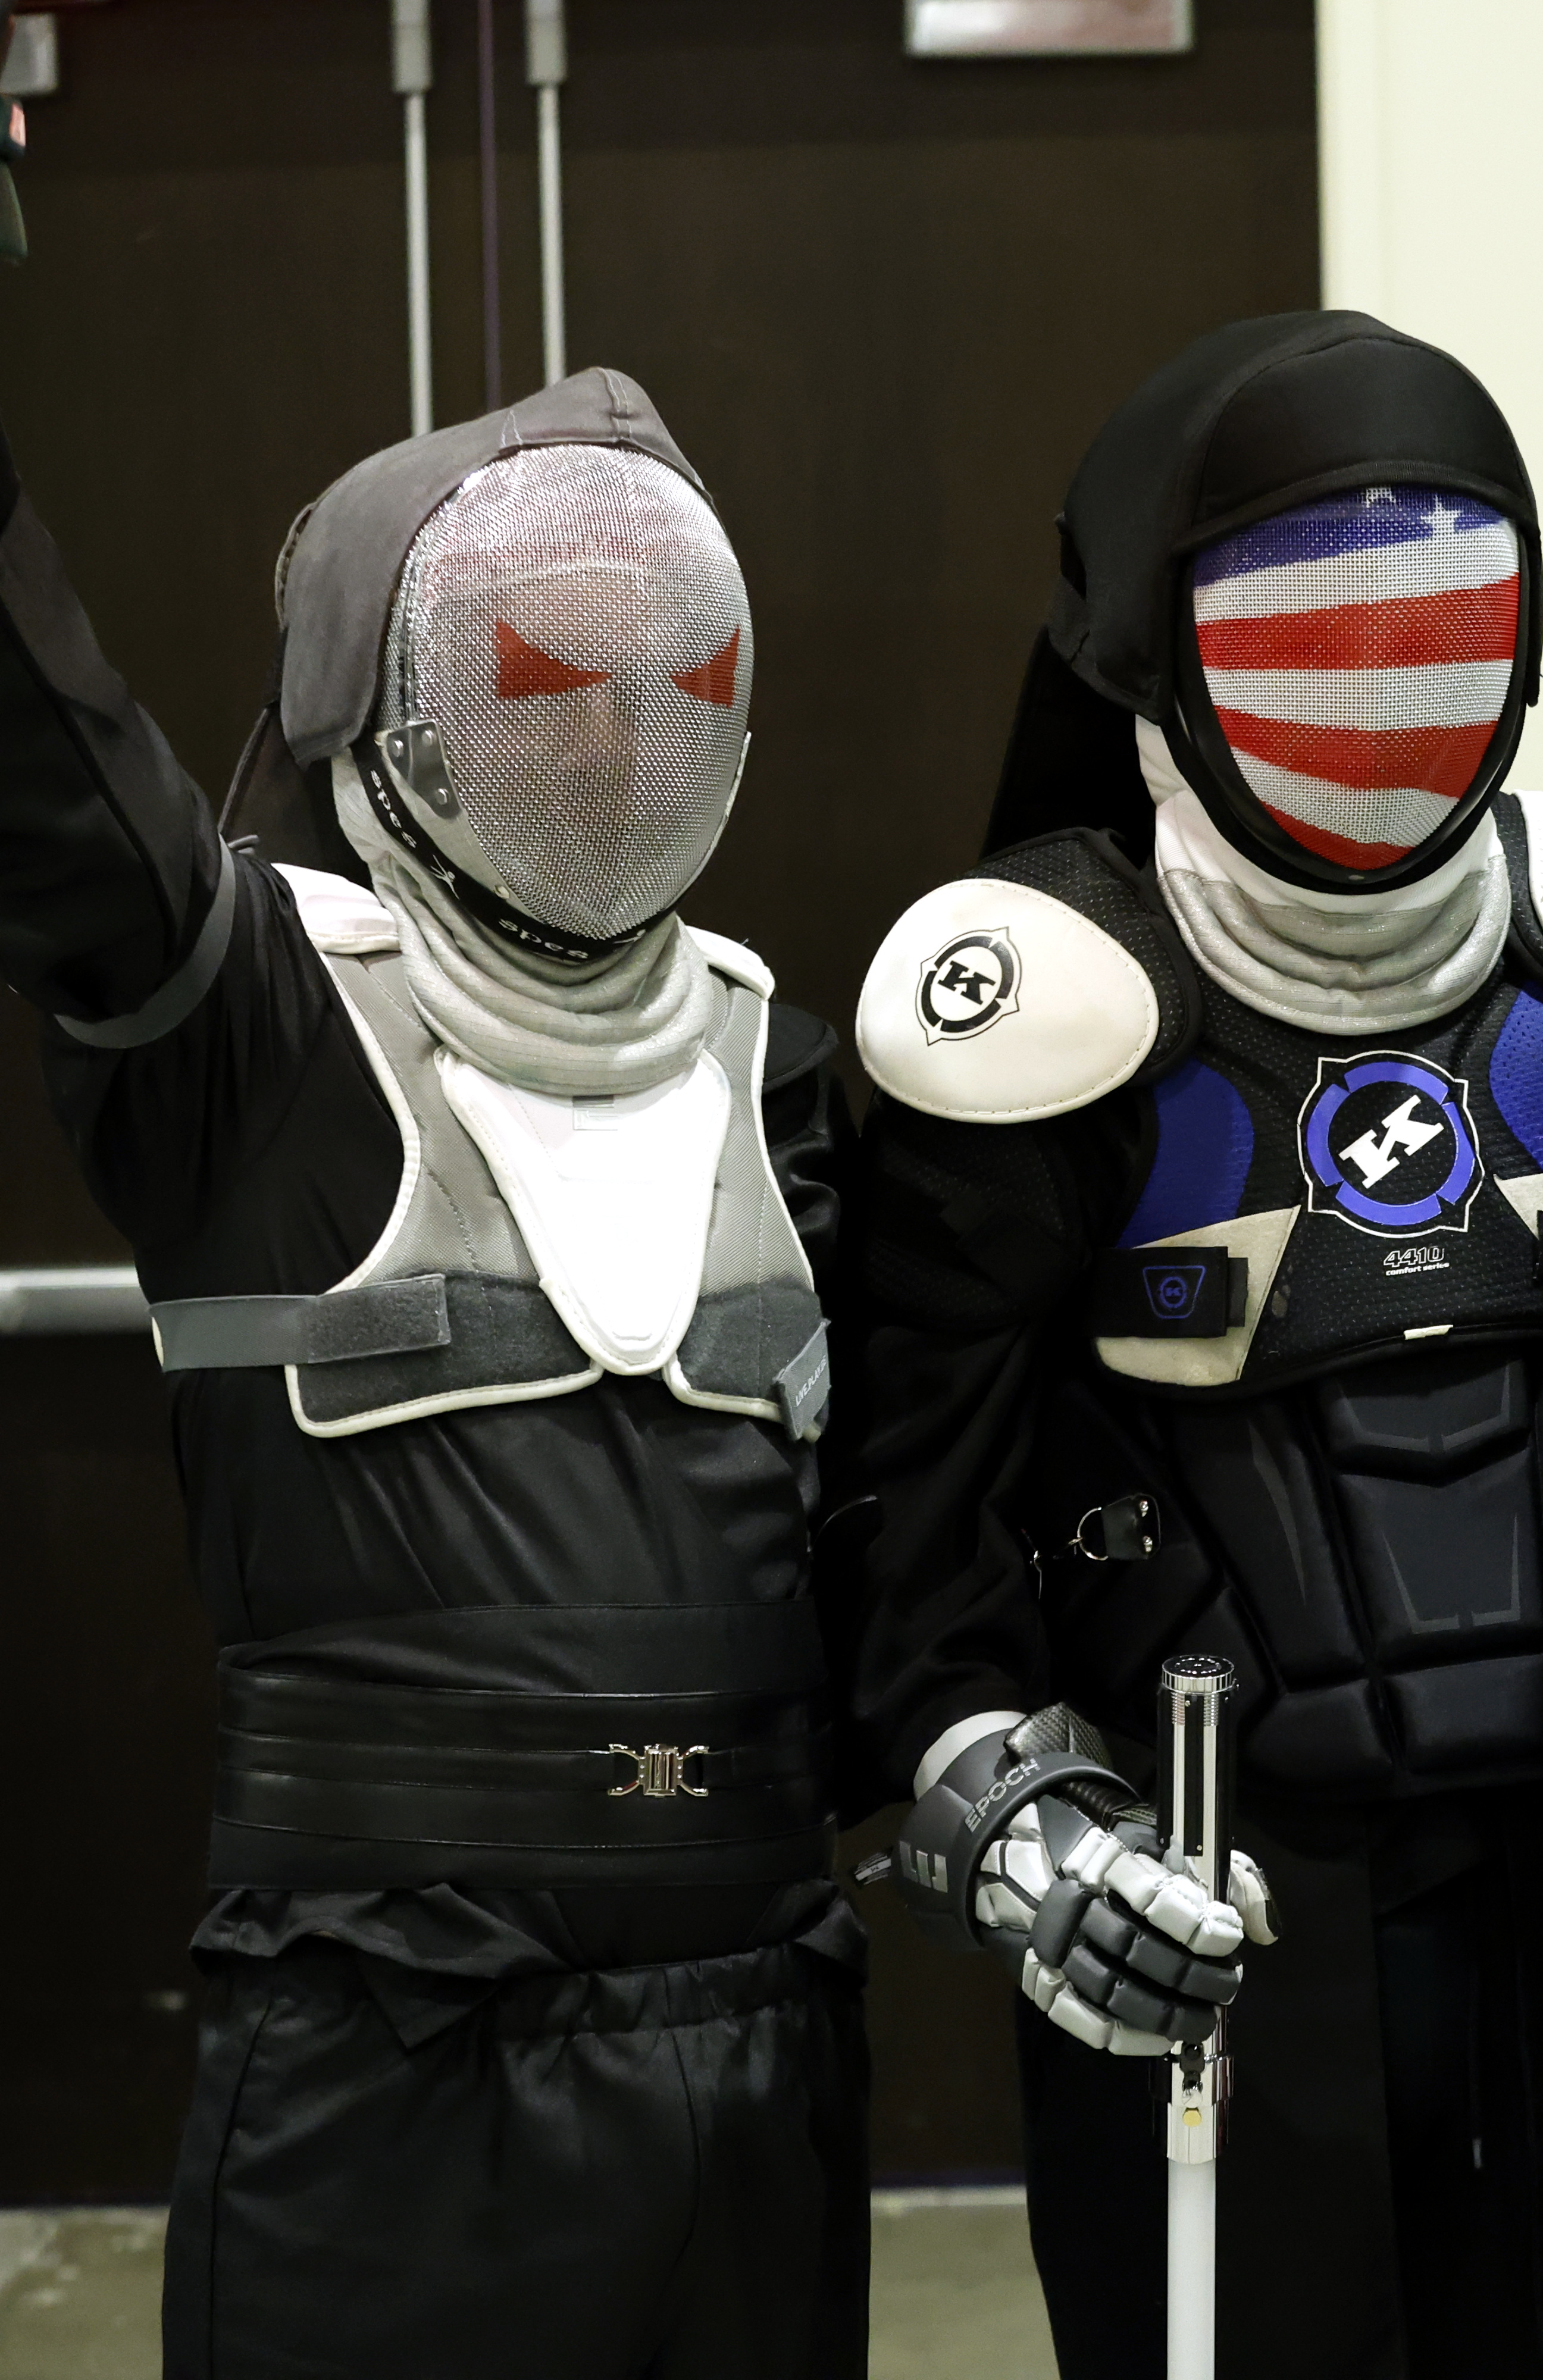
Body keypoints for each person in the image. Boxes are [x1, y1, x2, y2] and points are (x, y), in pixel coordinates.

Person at [847, 308, 1543, 2379]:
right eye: (1308, 619)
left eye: (1437, 614)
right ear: (1159, 650)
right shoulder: (1047, 1010)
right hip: (1215, 1931)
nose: (1381, 675)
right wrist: (1035, 1842)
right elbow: (903, 1545)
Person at [0, 370, 870, 2375]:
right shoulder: (246, 1036)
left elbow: (935, 1528)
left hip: (762, 2042)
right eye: (541, 680)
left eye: (668, 681)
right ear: (386, 708)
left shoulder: (791, 1070)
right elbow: (48, 767)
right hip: (389, 2059)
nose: (615, 737)